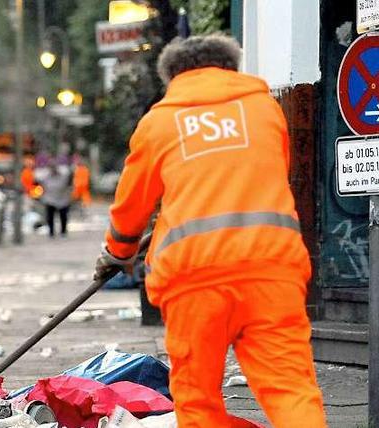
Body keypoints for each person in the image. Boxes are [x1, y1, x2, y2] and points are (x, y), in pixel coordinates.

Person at [94, 35, 326, 427]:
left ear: (174, 78)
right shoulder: (265, 111)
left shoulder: (159, 123)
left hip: (194, 281)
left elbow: (131, 206)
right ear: (230, 69)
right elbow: (270, 173)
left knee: (198, 399)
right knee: (290, 388)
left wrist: (117, 252)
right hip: (271, 272)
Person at [37, 158, 72, 238]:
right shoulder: (46, 177)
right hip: (50, 199)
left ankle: (63, 231)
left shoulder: (63, 176)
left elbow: (68, 184)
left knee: (63, 216)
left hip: (62, 199)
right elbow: (40, 184)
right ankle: (51, 232)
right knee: (50, 217)